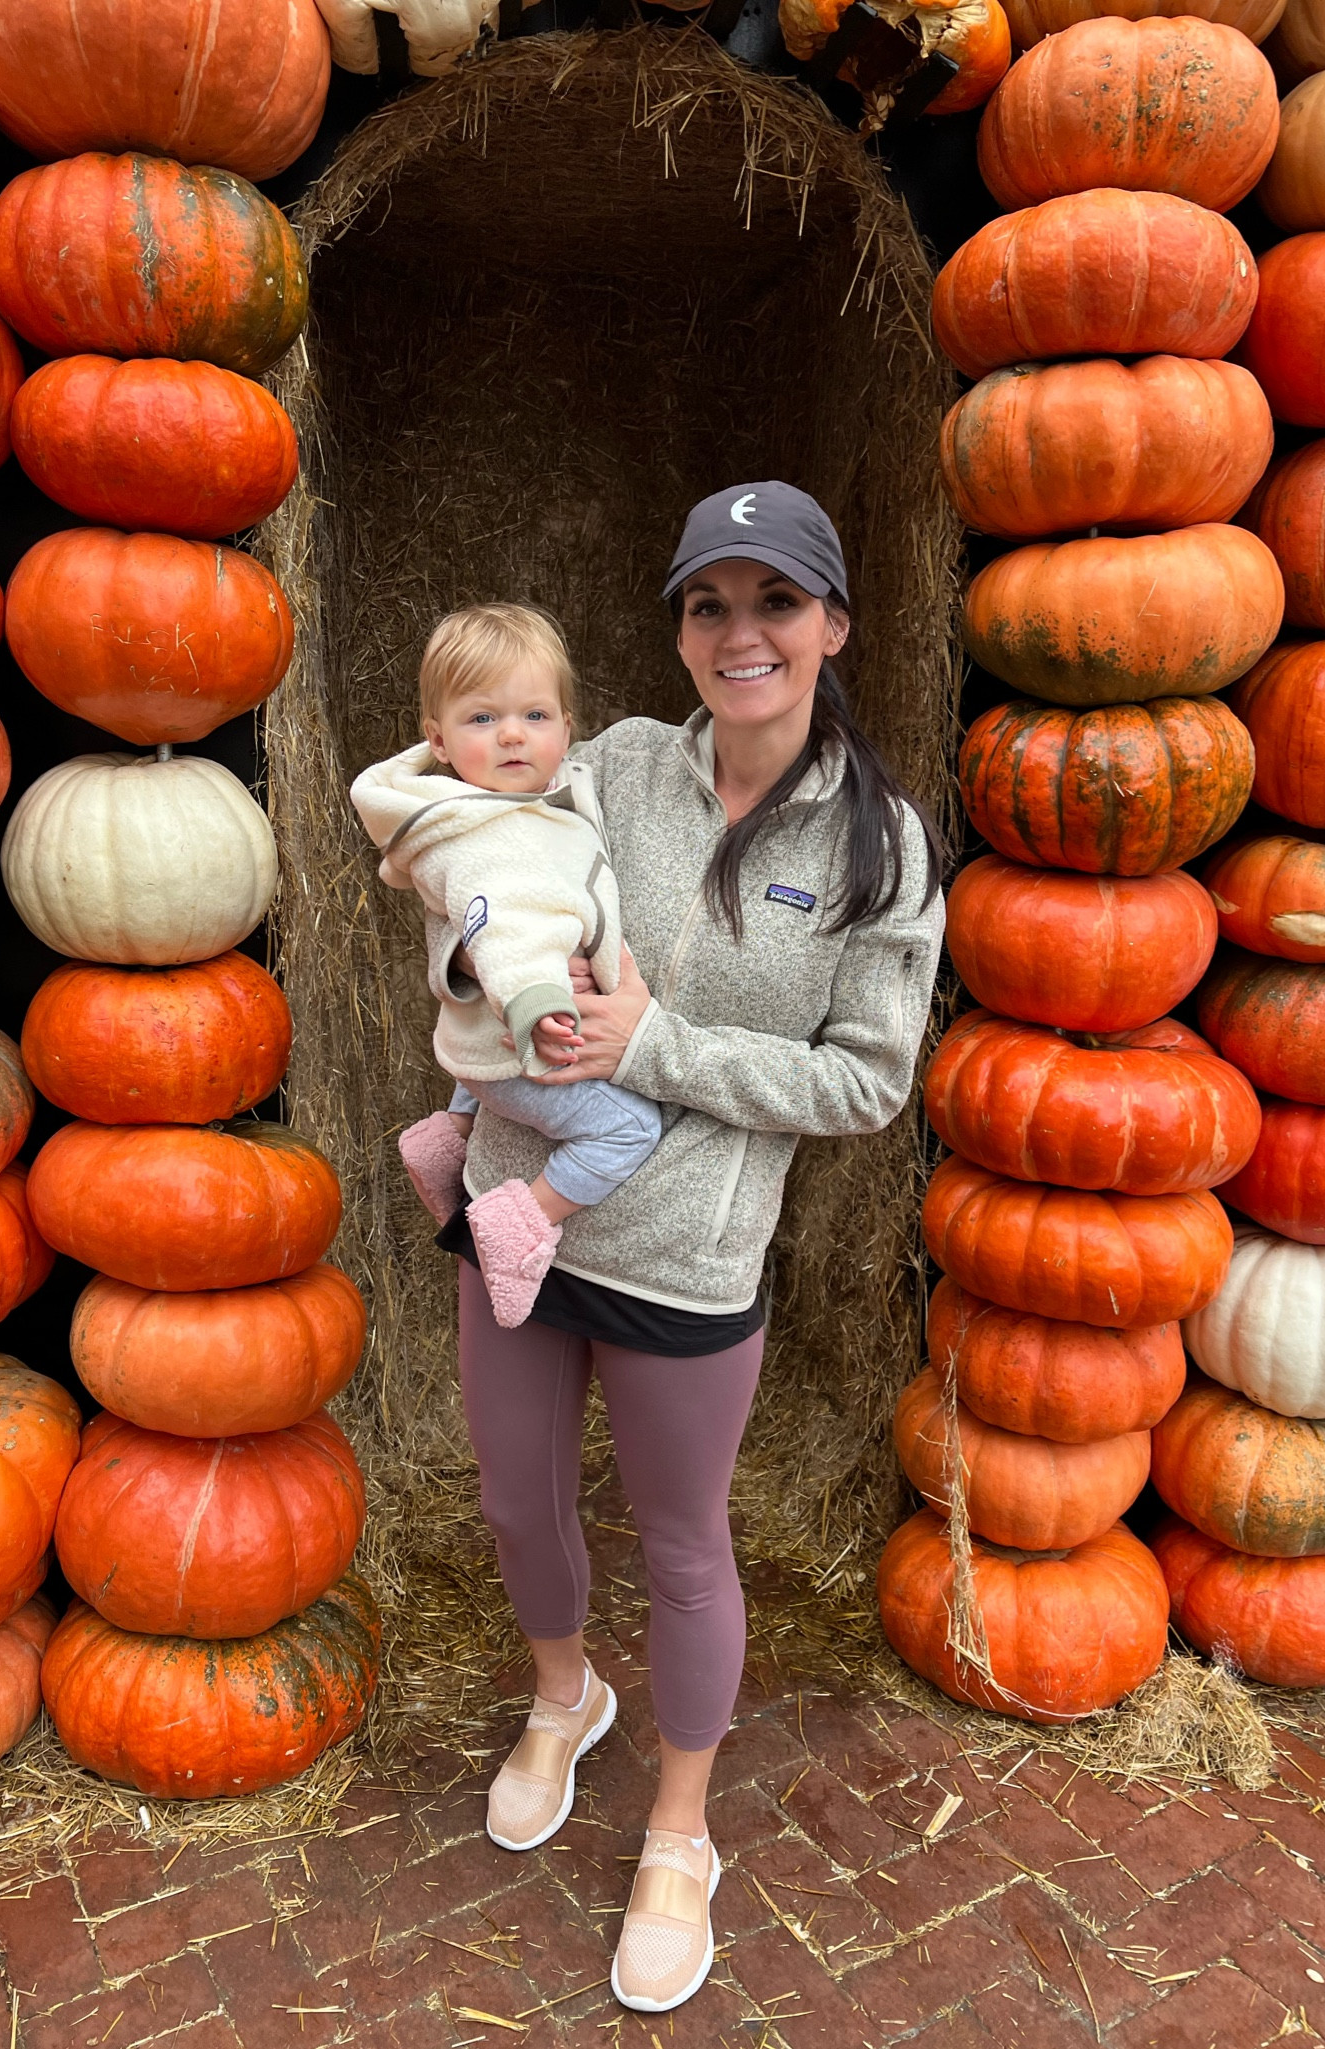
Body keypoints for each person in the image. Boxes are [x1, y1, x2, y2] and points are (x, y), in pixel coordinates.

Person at [440, 482, 944, 2015]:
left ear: (831, 625)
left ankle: (677, 1832)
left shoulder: (876, 842)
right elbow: (482, 855)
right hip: (520, 1212)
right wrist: (464, 948)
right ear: (677, 630)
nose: (741, 635)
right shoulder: (602, 770)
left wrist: (661, 1046)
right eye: (708, 605)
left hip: (688, 1268)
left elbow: (865, 1081)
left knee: (684, 1551)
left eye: (773, 603)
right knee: (519, 1501)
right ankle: (561, 1695)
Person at [351, 604, 663, 1327]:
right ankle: (523, 1220)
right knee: (629, 1128)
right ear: (438, 740)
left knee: (480, 1071)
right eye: (483, 719)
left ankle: (446, 1140)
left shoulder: (485, 809)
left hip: (473, 1053)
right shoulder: (495, 838)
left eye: (534, 714)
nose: (514, 734)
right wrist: (535, 1003)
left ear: (567, 726)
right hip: (519, 1044)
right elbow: (508, 924)